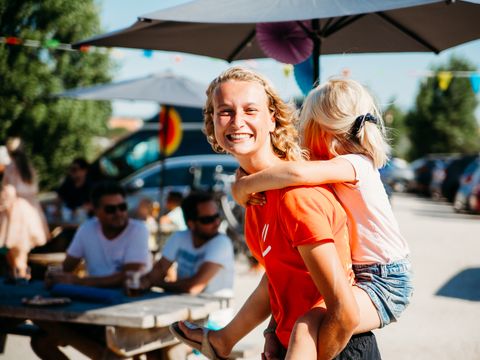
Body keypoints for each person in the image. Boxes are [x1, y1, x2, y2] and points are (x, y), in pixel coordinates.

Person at [170, 67, 381, 360]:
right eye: (225, 112)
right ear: (213, 125)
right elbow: (280, 277)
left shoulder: (296, 197)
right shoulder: (255, 194)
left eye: (250, 110)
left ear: (272, 119)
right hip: (292, 344)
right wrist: (268, 332)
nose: (237, 121)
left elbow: (344, 313)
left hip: (335, 347)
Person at [231, 77, 413, 357]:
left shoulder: (356, 164)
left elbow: (296, 173)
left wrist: (246, 185)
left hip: (385, 281)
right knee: (306, 324)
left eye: (306, 126)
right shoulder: (335, 168)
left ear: (324, 128)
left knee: (307, 326)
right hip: (365, 274)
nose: (301, 134)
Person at [31, 181, 151, 360]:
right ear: (96, 211)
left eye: (122, 207)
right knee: (42, 341)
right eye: (111, 209)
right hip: (93, 305)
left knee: (112, 354)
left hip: (128, 307)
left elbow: (128, 275)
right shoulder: (87, 228)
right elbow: (66, 267)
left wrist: (78, 282)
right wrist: (57, 277)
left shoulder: (138, 229)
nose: (119, 213)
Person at [141, 190, 235, 360]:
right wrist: (145, 281)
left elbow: (194, 287)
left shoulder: (222, 242)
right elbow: (158, 270)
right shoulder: (180, 237)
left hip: (215, 322)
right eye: (208, 219)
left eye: (217, 216)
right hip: (183, 316)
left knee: (167, 349)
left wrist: (158, 283)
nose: (216, 223)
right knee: (149, 345)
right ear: (191, 223)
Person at [0, 137, 50, 280]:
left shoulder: (11, 168)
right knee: (21, 251)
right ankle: (21, 276)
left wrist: (2, 205)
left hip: (16, 212)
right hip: (31, 210)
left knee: (14, 251)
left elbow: (8, 192)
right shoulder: (29, 168)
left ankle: (20, 278)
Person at [55, 157, 93, 222]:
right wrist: (58, 209)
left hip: (85, 221)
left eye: (74, 169)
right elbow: (58, 199)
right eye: (70, 169)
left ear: (84, 171)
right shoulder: (67, 184)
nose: (71, 172)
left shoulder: (91, 186)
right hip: (68, 220)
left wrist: (80, 210)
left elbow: (94, 205)